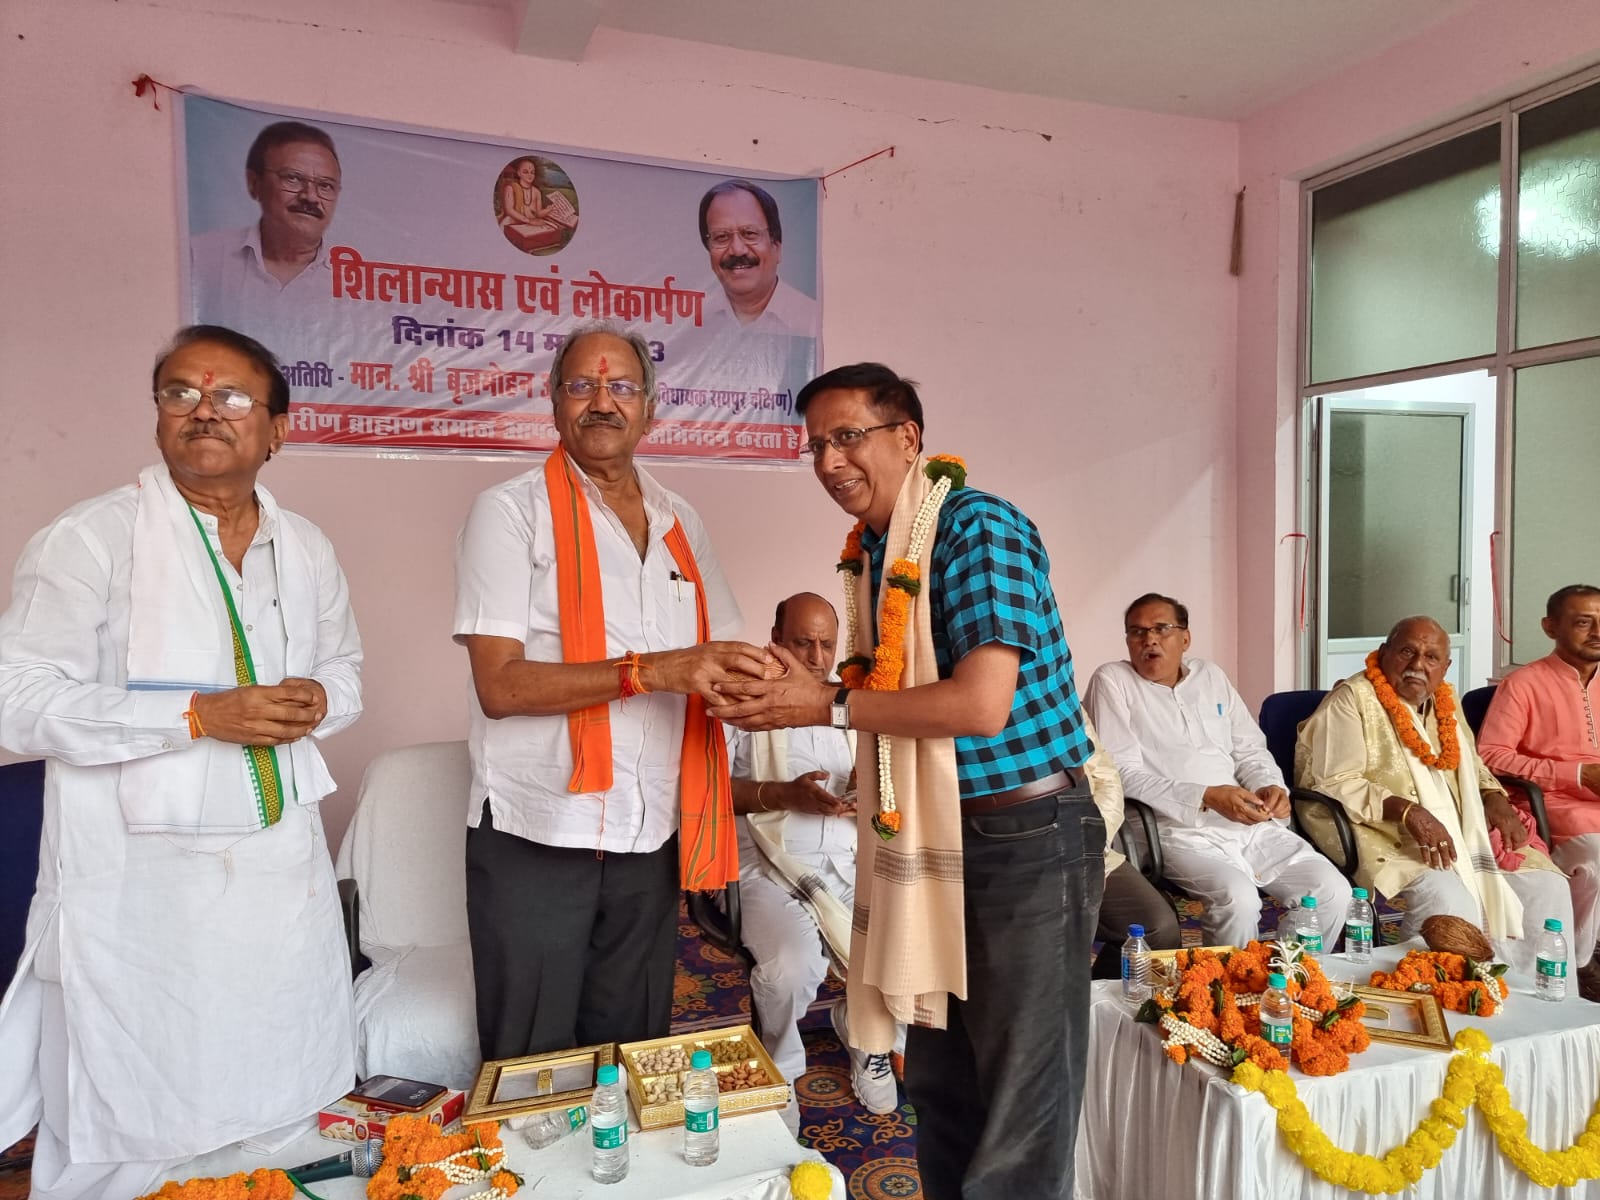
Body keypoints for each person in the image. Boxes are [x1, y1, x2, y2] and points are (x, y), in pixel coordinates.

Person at [710, 363, 1101, 1200]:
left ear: (908, 438)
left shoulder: (973, 526)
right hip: (936, 838)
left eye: (847, 436)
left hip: (1026, 835)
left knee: (1020, 1101)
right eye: (814, 444)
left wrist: (823, 703)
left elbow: (981, 703)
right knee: (942, 1082)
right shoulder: (875, 556)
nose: (827, 461)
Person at [0, 325, 364, 1200]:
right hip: (140, 899)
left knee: (278, 1097)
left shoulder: (305, 545)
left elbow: (347, 673)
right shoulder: (90, 539)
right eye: (180, 394)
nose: (205, 410)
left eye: (233, 396)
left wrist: (321, 700)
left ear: (279, 428)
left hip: (277, 880)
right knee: (138, 1114)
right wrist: (196, 716)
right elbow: (17, 703)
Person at [453, 321, 774, 1062]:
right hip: (540, 832)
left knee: (633, 1049)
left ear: (651, 409)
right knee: (531, 1061)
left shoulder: (679, 523)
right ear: (553, 401)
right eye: (583, 385)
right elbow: (499, 686)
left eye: (622, 386)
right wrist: (652, 671)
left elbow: (719, 656)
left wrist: (784, 687)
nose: (603, 402)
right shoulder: (507, 513)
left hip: (648, 831)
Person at [1297, 616, 1572, 976]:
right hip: (1377, 827)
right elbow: (1336, 781)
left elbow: (1471, 765)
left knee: (1547, 886)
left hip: (1459, 824)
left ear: (1446, 666)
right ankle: (1427, 990)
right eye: (1407, 652)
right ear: (1384, 653)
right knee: (1450, 901)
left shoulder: (1445, 699)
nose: (1417, 666)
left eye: (1430, 658)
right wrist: (1410, 812)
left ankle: (1533, 1000)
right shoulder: (1351, 701)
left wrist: (1494, 797)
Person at [1084, 593, 1351, 950]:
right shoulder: (1113, 680)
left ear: (1185, 638)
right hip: (1175, 828)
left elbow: (1249, 749)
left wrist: (1270, 785)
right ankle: (1222, 992)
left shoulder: (1210, 676)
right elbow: (1122, 774)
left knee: (1331, 890)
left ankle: (1285, 982)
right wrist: (1205, 797)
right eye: (1137, 632)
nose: (1149, 639)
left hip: (1248, 822)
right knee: (1238, 900)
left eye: (1161, 629)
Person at [725, 591, 905, 1114]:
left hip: (850, 858)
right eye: (803, 643)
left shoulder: (850, 701)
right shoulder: (742, 701)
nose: (816, 658)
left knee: (898, 942)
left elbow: (885, 777)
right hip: (766, 862)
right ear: (776, 640)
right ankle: (779, 1068)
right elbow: (708, 789)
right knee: (790, 965)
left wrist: (866, 795)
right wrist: (785, 795)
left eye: (827, 645)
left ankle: (865, 1036)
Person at [1477, 583, 1600, 996]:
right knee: (1597, 860)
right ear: (1551, 627)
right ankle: (1581, 964)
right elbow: (1491, 756)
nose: (1597, 631)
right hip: (1554, 806)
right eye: (1584, 622)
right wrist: (1576, 775)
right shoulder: (1524, 684)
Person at [189, 121, 342, 347]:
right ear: (254, 183)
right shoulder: (199, 256)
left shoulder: (356, 279)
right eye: (293, 178)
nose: (310, 196)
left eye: (325, 186)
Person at [1083, 712, 1184, 977]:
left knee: (1158, 929)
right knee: (1060, 941)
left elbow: (1107, 778)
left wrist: (1091, 843)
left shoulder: (1060, 695)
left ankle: (1101, 997)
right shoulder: (977, 705)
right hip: (1025, 855)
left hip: (1091, 847)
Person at [698, 180, 819, 334]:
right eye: (721, 237)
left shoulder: (817, 321)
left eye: (750, 234)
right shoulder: (684, 322)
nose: (737, 250)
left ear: (776, 246)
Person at [498, 157, 579, 246]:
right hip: (513, 221)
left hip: (532, 223)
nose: (530, 175)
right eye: (525, 172)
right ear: (519, 173)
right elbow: (510, 210)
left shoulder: (536, 191)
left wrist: (548, 210)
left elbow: (538, 213)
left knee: (553, 230)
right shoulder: (511, 188)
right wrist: (528, 221)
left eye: (532, 172)